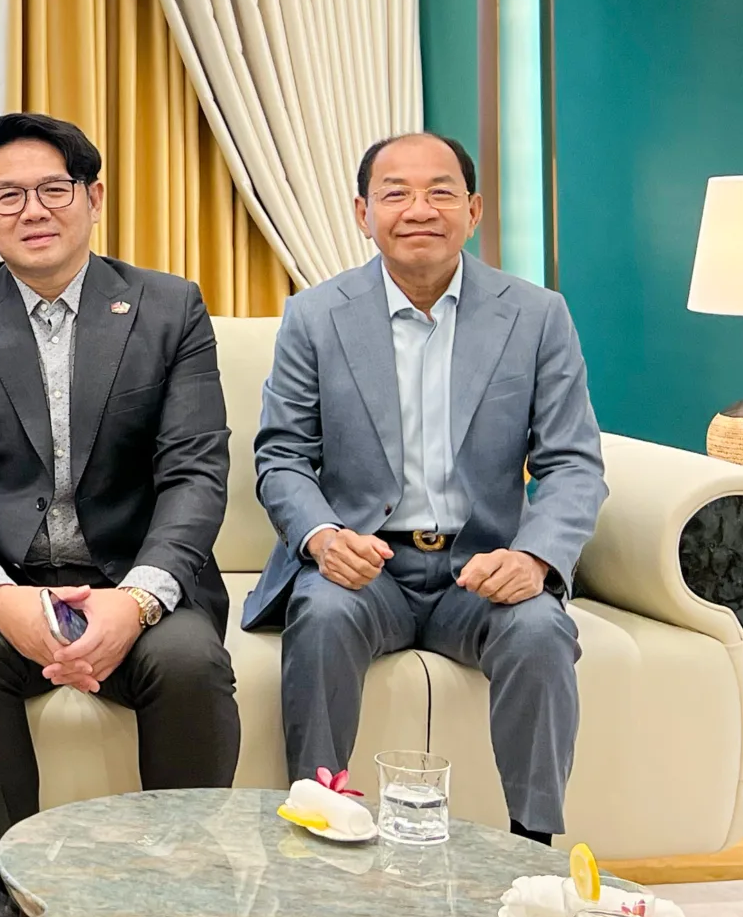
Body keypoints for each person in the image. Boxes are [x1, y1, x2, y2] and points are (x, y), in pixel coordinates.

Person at [0, 113, 238, 895]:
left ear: (94, 198)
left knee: (189, 662)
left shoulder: (168, 307)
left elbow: (195, 470)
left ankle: (180, 885)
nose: (33, 210)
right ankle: (13, 883)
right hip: (5, 576)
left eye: (54, 189)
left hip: (129, 570)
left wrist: (138, 601)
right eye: (8, 195)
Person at [251, 133, 604, 843]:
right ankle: (316, 825)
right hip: (365, 564)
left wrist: (535, 557)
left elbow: (573, 463)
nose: (419, 209)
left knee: (540, 630)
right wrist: (322, 538)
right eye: (396, 193)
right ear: (363, 213)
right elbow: (282, 456)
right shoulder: (315, 316)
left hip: (480, 570)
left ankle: (530, 846)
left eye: (441, 192)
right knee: (320, 615)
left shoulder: (536, 316)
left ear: (473, 211)